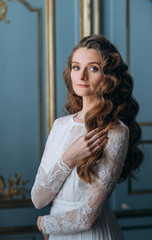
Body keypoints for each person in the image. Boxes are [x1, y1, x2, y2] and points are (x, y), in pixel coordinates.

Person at [31, 35, 143, 240]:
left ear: (109, 77)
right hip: (58, 234)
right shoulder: (60, 125)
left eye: (92, 68)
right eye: (76, 67)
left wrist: (43, 223)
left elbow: (87, 218)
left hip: (92, 234)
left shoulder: (116, 131)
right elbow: (38, 199)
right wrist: (70, 157)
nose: (81, 76)